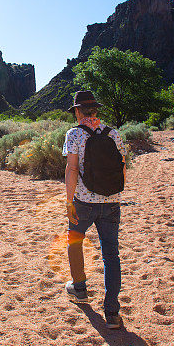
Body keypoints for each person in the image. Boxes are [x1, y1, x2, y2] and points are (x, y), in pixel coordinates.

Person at [62, 90, 127, 329]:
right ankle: (112, 313)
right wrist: (112, 195)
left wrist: (69, 201)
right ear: (95, 110)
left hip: (83, 202)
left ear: (78, 111)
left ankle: (79, 289)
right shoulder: (114, 133)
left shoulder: (74, 134)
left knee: (75, 241)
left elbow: (71, 169)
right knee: (111, 255)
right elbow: (122, 170)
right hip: (111, 202)